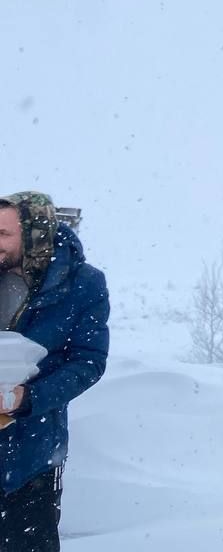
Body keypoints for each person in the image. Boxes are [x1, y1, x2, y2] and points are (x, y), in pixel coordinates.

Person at [0, 192, 110, 552]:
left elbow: (87, 362)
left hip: (31, 455)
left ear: (34, 235)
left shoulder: (82, 285)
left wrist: (27, 398)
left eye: (4, 234)